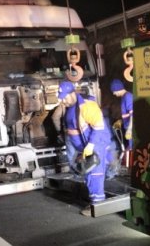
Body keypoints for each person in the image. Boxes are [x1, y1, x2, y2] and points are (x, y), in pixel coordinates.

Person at [57, 81, 113, 216]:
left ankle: (97, 205)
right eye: (61, 97)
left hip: (96, 143)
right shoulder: (72, 106)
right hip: (85, 146)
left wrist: (91, 144)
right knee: (90, 173)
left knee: (94, 173)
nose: (63, 100)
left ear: (72, 93)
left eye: (65, 97)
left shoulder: (87, 106)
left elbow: (99, 126)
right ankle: (96, 201)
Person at [110, 79, 133, 149]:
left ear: (118, 89)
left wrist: (130, 128)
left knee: (131, 148)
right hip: (127, 127)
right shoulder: (124, 97)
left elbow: (133, 114)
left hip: (131, 129)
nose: (114, 94)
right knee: (129, 147)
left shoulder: (128, 97)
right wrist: (121, 121)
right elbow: (127, 114)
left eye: (114, 91)